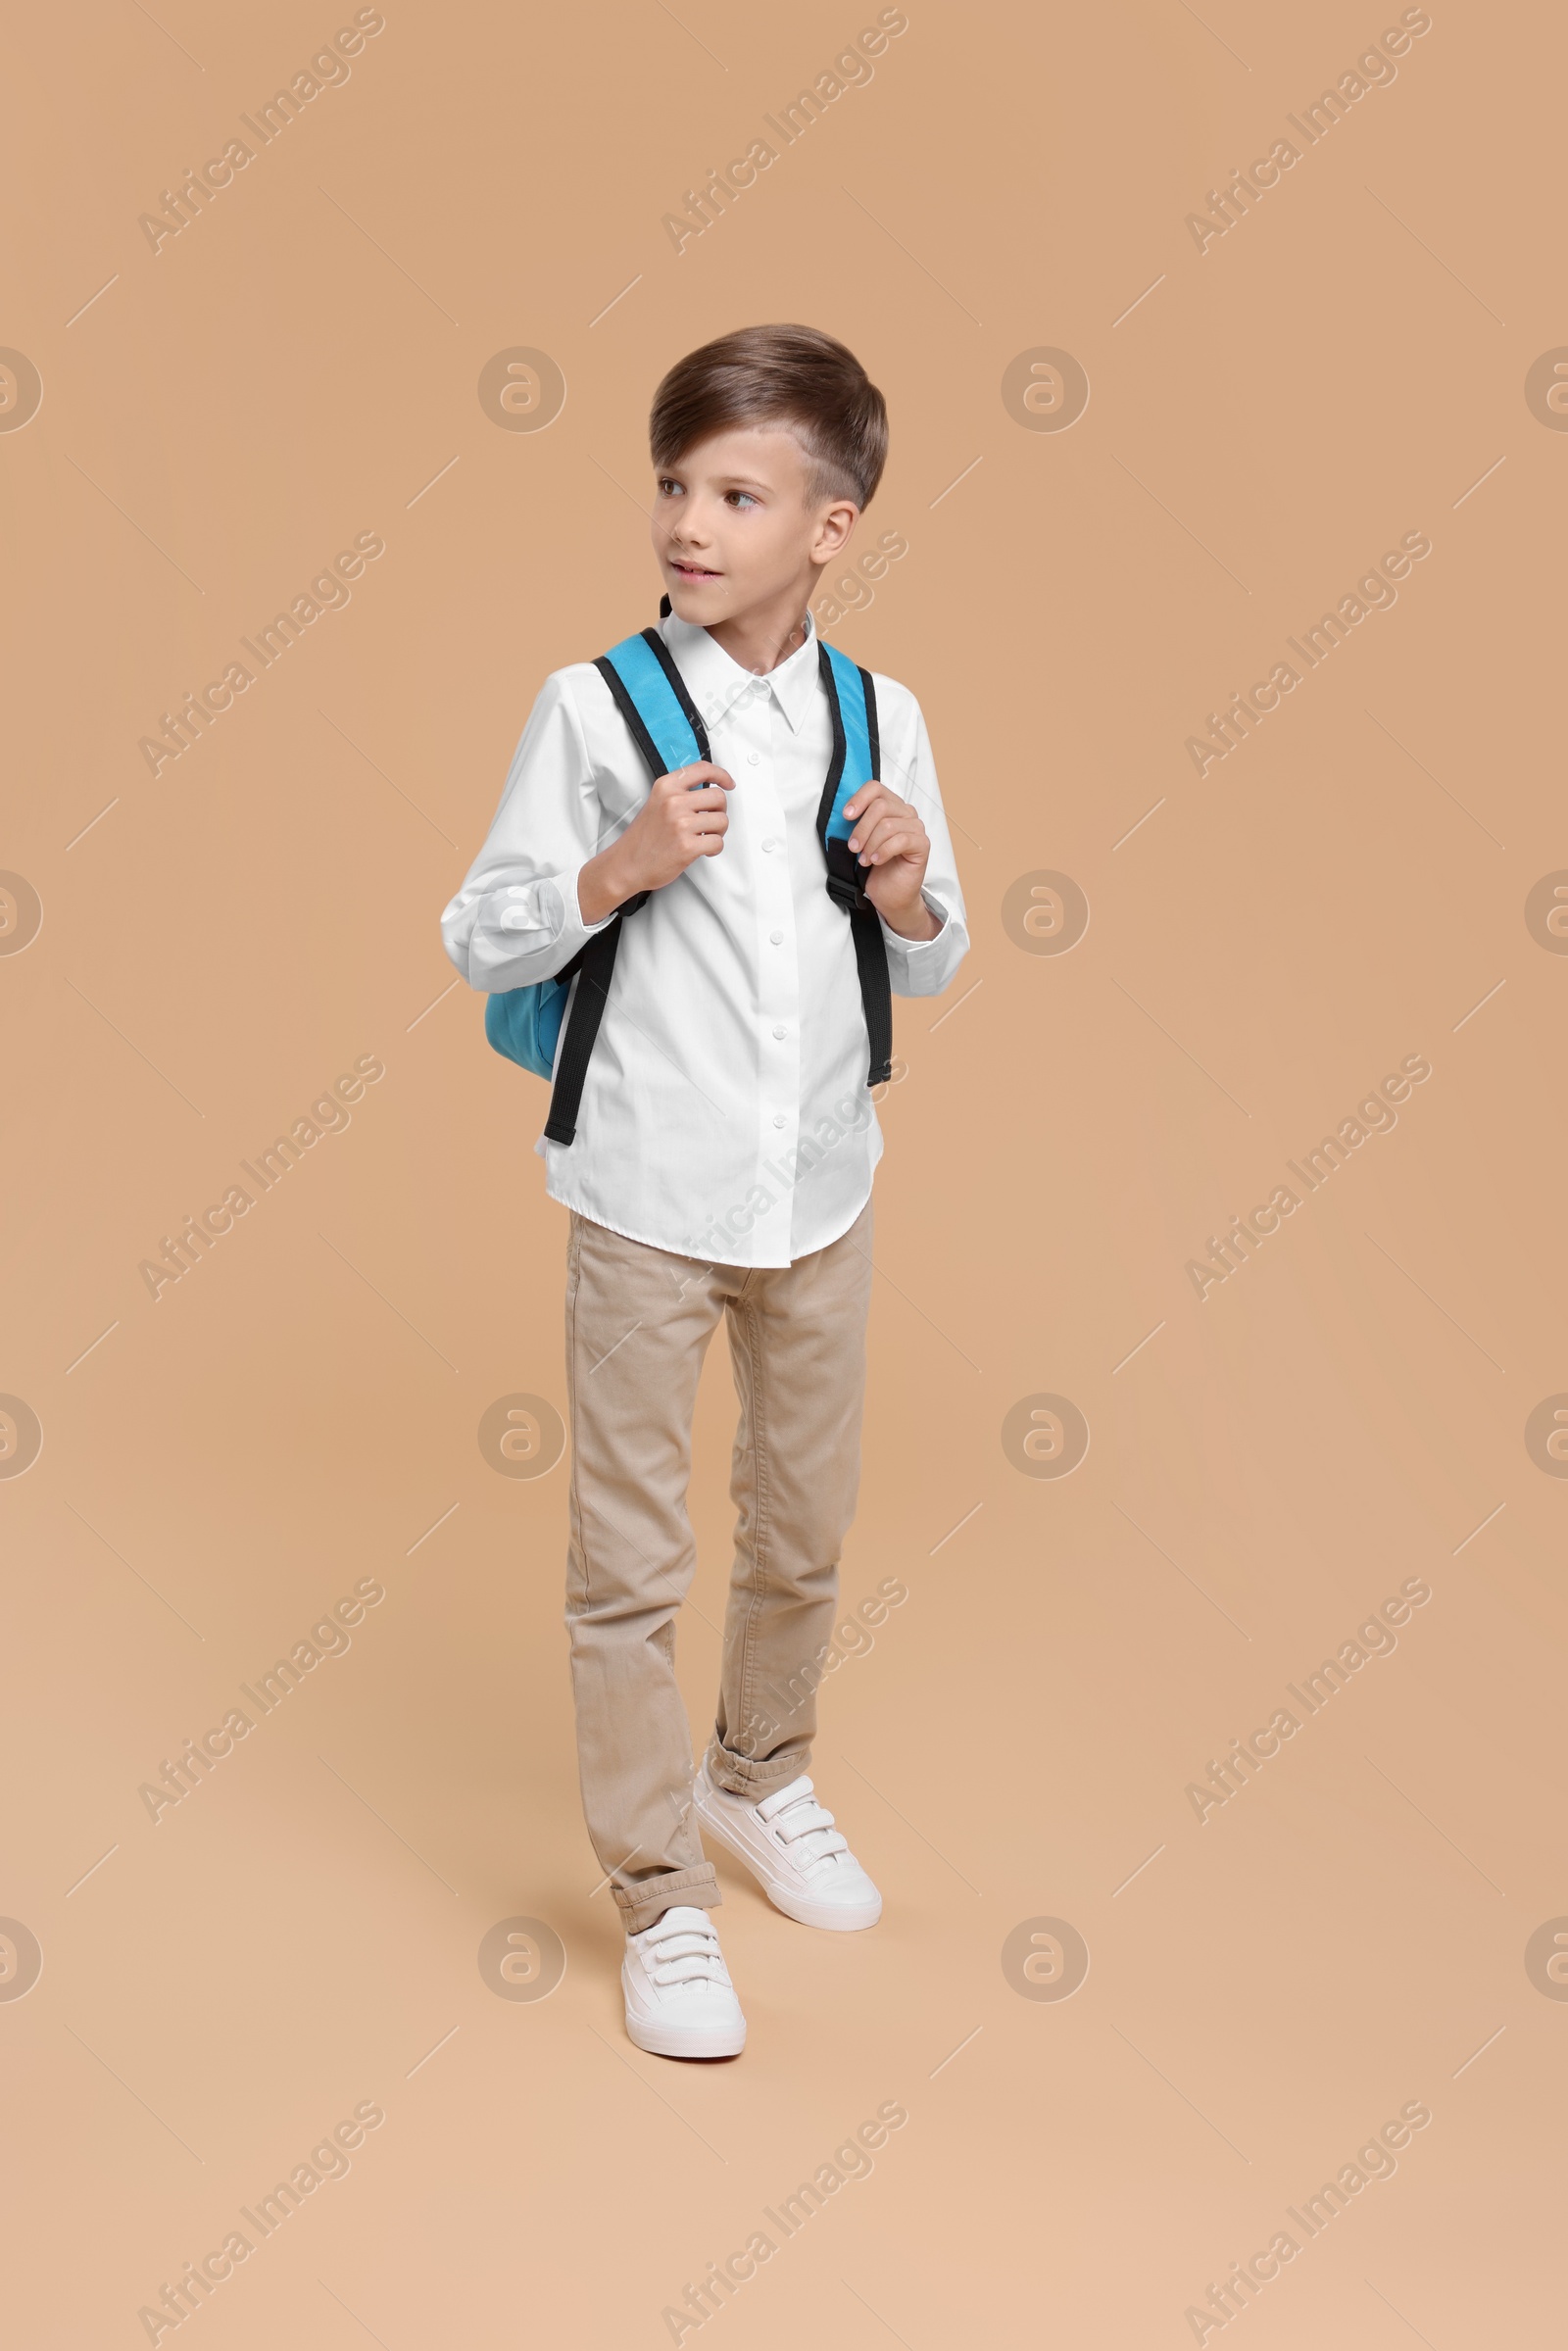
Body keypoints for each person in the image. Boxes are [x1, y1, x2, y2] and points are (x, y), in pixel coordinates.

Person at [441, 322, 968, 2058]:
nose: (690, 520)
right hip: (648, 1195)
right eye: (675, 484)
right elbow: (483, 932)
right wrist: (620, 862)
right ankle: (659, 1893)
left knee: (804, 1528)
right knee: (628, 1563)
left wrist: (904, 887)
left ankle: (761, 1779)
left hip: (823, 1189)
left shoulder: (887, 715)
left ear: (831, 523)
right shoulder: (592, 707)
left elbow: (938, 957)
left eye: (736, 491)